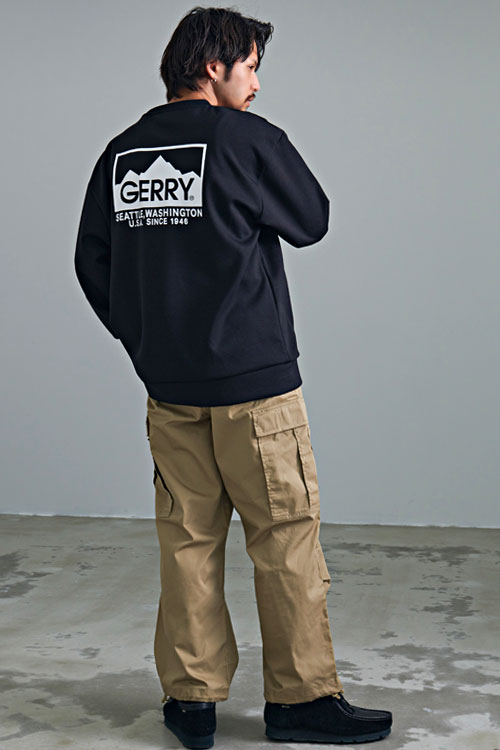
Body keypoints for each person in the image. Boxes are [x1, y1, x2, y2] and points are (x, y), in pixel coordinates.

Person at [74, 5, 393, 748]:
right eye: (250, 66)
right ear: (213, 66)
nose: (255, 83)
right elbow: (311, 218)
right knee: (284, 538)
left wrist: (146, 338)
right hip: (256, 389)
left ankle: (191, 704)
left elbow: (92, 261)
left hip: (171, 391)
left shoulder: (123, 153)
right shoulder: (246, 139)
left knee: (187, 541)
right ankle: (300, 700)